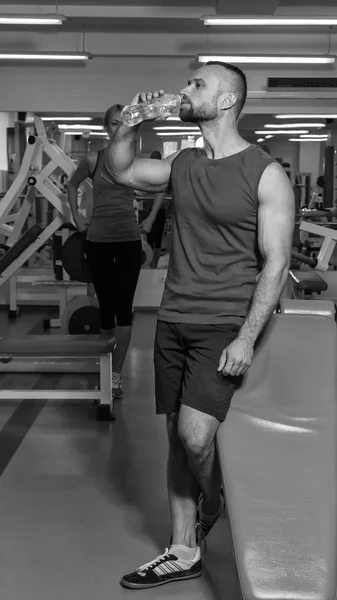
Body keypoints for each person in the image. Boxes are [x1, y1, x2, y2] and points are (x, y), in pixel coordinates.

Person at [102, 62, 295, 589]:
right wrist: (129, 123)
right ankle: (183, 549)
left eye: (198, 85)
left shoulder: (265, 171)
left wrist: (245, 338)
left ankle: (214, 502)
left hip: (223, 322)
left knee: (194, 435)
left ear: (227, 100)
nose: (185, 90)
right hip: (173, 320)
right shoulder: (183, 162)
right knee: (174, 436)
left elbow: (276, 263)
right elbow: (121, 171)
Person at [67, 104, 142, 400]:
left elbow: (162, 184)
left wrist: (149, 218)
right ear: (106, 128)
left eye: (122, 123)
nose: (116, 128)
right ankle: (106, 365)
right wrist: (76, 215)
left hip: (128, 241)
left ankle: (115, 374)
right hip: (98, 241)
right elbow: (72, 186)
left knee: (124, 309)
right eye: (112, 123)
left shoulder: (135, 160)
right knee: (106, 309)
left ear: (129, 127)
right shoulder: (92, 159)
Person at [139, 150, 168, 268]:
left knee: (154, 238)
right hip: (149, 209)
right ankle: (152, 264)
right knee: (153, 238)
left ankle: (153, 264)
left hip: (156, 210)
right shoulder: (149, 173)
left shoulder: (160, 173)